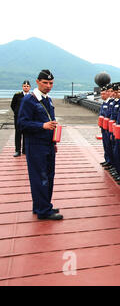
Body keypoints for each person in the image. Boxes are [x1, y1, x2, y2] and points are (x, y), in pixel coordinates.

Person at [17, 70, 62, 220]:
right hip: (35, 145)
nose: (48, 86)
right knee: (40, 177)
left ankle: (42, 205)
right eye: (45, 83)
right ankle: (43, 211)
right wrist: (42, 126)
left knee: (49, 176)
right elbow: (21, 124)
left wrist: (53, 141)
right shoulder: (29, 100)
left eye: (51, 83)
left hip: (48, 144)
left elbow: (52, 122)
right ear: (37, 82)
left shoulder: (47, 99)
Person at [10, 80, 31, 157]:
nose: (26, 87)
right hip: (18, 118)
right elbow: (12, 105)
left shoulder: (32, 96)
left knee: (26, 134)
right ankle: (17, 150)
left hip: (28, 118)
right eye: (24, 86)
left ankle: (25, 150)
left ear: (30, 87)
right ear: (22, 87)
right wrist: (17, 112)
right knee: (18, 134)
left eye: (27, 86)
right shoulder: (17, 95)